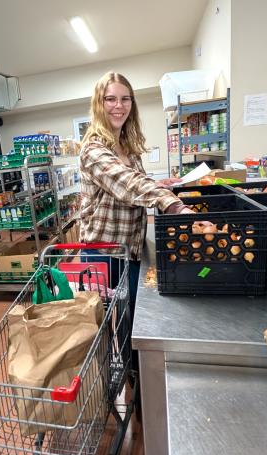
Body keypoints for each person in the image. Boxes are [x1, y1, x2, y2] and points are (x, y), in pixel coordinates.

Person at [79, 71, 197, 322]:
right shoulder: (93, 148)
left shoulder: (128, 148)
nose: (119, 106)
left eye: (126, 99)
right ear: (99, 104)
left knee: (132, 320)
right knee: (103, 324)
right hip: (104, 253)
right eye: (110, 99)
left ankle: (131, 360)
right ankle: (120, 362)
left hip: (130, 248)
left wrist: (158, 184)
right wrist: (174, 206)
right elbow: (126, 184)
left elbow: (132, 184)